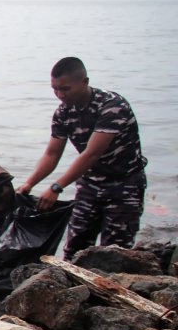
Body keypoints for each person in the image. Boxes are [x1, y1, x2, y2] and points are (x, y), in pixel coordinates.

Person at [16, 57, 148, 259]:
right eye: (55, 89)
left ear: (84, 82)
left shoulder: (112, 107)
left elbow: (91, 154)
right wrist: (29, 183)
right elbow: (52, 153)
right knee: (75, 249)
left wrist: (56, 187)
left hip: (124, 186)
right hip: (89, 184)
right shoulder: (63, 112)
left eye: (65, 89)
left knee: (115, 252)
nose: (60, 95)